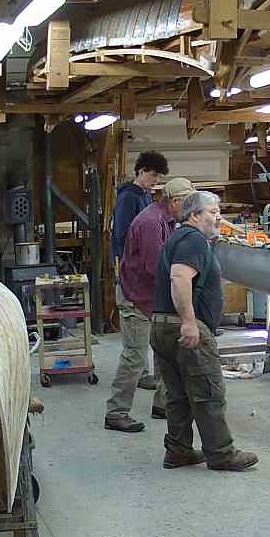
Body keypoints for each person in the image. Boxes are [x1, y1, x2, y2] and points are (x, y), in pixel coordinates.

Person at [150, 190, 258, 471]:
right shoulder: (193, 240)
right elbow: (179, 277)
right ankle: (221, 454)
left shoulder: (180, 238)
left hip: (162, 324)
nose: (219, 217)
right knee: (208, 392)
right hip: (184, 326)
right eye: (213, 212)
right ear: (194, 216)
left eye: (219, 211)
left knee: (178, 396)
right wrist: (188, 322)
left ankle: (178, 451)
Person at [105, 177, 195, 432]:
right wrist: (184, 283)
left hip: (152, 297)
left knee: (166, 351)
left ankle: (163, 404)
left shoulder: (167, 220)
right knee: (134, 357)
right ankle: (115, 412)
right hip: (136, 297)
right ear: (175, 202)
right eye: (188, 203)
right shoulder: (151, 223)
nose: (191, 209)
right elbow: (155, 267)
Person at [110, 152, 168, 397]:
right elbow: (123, 234)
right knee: (134, 319)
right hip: (130, 264)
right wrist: (135, 261)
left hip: (141, 263)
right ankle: (140, 373)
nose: (156, 180)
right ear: (141, 171)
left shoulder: (145, 195)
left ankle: (143, 372)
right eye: (153, 175)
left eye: (159, 177)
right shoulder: (128, 197)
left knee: (144, 323)